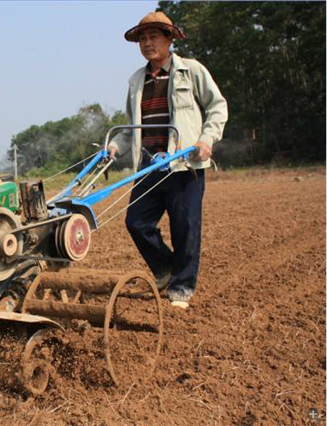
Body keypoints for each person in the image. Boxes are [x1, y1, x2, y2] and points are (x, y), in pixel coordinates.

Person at [107, 11, 228, 309]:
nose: (147, 43)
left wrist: (206, 139)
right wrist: (114, 146)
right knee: (136, 222)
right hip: (149, 165)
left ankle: (182, 287)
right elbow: (131, 127)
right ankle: (165, 268)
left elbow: (217, 107)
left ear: (169, 39)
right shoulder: (137, 80)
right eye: (142, 39)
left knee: (185, 227)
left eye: (154, 37)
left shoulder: (192, 71)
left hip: (183, 164)